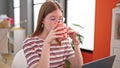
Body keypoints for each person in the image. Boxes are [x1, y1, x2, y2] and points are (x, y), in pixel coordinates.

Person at [22, 0, 83, 68]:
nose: (58, 23)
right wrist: (47, 43)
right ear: (42, 20)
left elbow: (77, 66)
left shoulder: (64, 41)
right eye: (53, 19)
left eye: (60, 19)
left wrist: (75, 41)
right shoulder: (29, 42)